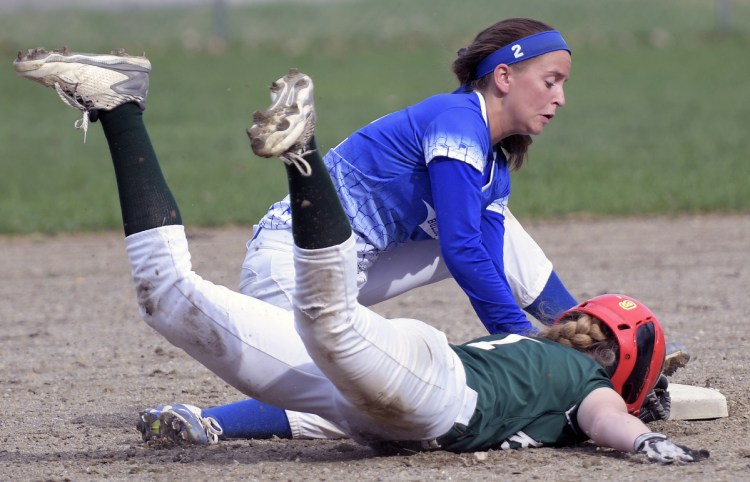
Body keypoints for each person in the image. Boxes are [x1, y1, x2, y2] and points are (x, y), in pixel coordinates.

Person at [13, 45, 707, 464]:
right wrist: (644, 439)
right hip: (421, 378)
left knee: (166, 297)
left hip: (375, 401)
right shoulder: (581, 387)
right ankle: (303, 154)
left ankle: (119, 106)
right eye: (549, 80)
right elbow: (606, 419)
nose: (558, 96)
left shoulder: (539, 355)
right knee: (331, 323)